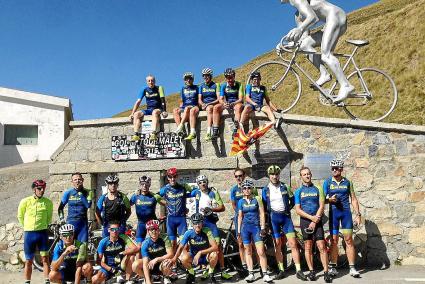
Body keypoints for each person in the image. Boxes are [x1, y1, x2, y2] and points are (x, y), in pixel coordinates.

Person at [280, 0, 354, 103]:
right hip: (331, 21)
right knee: (305, 45)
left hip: (336, 16)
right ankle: (324, 74)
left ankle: (346, 85)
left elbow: (313, 18)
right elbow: (303, 38)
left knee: (326, 55)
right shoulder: (298, 15)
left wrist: (299, 29)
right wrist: (286, 46)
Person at [261, 165, 307, 280]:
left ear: (279, 175)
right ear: (269, 176)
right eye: (272, 174)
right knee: (277, 245)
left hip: (286, 218)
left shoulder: (285, 187)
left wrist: (287, 210)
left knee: (293, 243)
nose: (275, 176)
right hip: (273, 219)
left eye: (277, 174)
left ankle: (298, 270)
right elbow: (264, 207)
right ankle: (281, 270)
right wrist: (266, 224)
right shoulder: (265, 190)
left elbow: (292, 200)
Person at [323, 159, 361, 278]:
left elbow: (353, 199)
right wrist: (329, 200)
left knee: (349, 239)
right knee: (334, 241)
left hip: (346, 214)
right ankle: (333, 266)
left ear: (341, 169)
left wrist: (358, 215)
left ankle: (352, 267)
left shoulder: (348, 182)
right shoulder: (327, 182)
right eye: (332, 168)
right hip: (334, 214)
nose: (334, 170)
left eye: (336, 168)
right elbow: (322, 200)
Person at [294, 166, 332, 283]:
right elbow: (298, 210)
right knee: (308, 247)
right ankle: (311, 271)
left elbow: (322, 205)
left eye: (308, 174)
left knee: (322, 246)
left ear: (311, 175)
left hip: (317, 220)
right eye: (304, 174)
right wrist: (311, 219)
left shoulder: (318, 188)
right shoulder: (298, 191)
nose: (307, 176)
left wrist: (315, 221)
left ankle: (326, 272)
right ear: (301, 177)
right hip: (305, 221)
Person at [191, 174, 232, 280]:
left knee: (217, 247)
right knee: (204, 246)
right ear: (198, 184)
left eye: (204, 182)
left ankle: (223, 270)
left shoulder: (213, 192)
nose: (202, 184)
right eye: (200, 182)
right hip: (200, 223)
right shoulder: (195, 192)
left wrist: (211, 209)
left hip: (211, 222)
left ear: (207, 182)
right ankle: (206, 270)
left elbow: (222, 207)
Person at [17, 179, 53, 284]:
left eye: (43, 188)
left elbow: (49, 217)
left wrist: (43, 226)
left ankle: (47, 281)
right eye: (39, 188)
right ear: (34, 189)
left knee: (45, 259)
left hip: (42, 233)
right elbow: (20, 216)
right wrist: (27, 227)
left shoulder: (48, 202)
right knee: (28, 261)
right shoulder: (25, 201)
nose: (42, 190)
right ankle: (27, 282)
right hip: (29, 233)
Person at [158, 167, 192, 278]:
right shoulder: (165, 188)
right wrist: (166, 203)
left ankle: (185, 263)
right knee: (172, 245)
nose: (172, 179)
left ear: (177, 176)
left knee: (185, 244)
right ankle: (173, 266)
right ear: (167, 178)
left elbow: (195, 192)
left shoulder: (183, 187)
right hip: (171, 219)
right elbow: (156, 197)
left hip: (181, 219)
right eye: (170, 177)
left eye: (174, 176)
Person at [237, 179, 273, 283]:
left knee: (261, 251)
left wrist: (262, 227)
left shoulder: (257, 199)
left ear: (252, 189)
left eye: (249, 188)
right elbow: (240, 216)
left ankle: (265, 273)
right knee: (248, 251)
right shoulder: (240, 201)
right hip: (245, 228)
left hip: (256, 228)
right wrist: (238, 231)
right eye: (244, 188)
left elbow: (262, 213)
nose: (247, 189)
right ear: (242, 190)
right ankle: (251, 273)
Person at [170, 213, 219, 284]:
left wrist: (200, 252)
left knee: (214, 254)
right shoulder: (188, 233)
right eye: (195, 223)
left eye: (199, 222)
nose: (197, 225)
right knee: (183, 258)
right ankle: (191, 273)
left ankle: (211, 274)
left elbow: (215, 247)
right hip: (193, 256)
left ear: (202, 223)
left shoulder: (207, 231)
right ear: (192, 224)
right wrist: (174, 258)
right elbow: (180, 247)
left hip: (205, 256)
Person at [132, 220, 174, 284]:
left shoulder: (165, 238)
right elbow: (145, 262)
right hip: (150, 265)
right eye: (151, 230)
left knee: (167, 263)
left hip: (162, 263)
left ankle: (166, 276)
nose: (154, 232)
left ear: (158, 230)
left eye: (156, 229)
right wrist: (148, 282)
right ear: (148, 231)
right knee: (135, 265)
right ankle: (148, 277)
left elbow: (171, 254)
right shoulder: (145, 243)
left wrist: (157, 259)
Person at [130, 75, 168, 141]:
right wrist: (132, 113)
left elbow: (163, 100)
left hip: (158, 109)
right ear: (147, 82)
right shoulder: (144, 89)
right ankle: (136, 134)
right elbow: (138, 101)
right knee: (136, 114)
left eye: (152, 80)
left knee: (154, 112)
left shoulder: (159, 88)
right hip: (149, 109)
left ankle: (153, 133)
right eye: (149, 81)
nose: (151, 82)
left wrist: (164, 110)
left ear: (155, 81)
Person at [58, 172, 93, 242]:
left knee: (82, 248)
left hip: (82, 224)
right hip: (70, 222)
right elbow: (60, 208)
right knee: (70, 249)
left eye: (79, 179)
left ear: (82, 180)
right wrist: (62, 220)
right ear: (72, 182)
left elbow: (88, 205)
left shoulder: (88, 192)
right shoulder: (68, 193)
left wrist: (81, 195)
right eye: (75, 180)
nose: (77, 181)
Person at [130, 175, 162, 244]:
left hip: (152, 224)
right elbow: (126, 206)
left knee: (155, 245)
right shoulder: (135, 196)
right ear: (140, 185)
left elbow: (167, 203)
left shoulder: (154, 196)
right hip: (141, 224)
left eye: (146, 184)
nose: (144, 186)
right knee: (139, 246)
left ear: (149, 185)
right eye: (142, 184)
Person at [229, 168, 249, 275]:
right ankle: (244, 264)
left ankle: (255, 264)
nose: (238, 178)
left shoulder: (250, 187)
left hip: (250, 218)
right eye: (236, 176)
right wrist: (239, 214)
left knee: (252, 243)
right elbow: (233, 204)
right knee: (240, 243)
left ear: (244, 175)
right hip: (239, 218)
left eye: (240, 175)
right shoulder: (233, 190)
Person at [173, 72, 200, 141]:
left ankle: (182, 127)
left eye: (190, 79)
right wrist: (179, 108)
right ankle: (181, 131)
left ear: (193, 79)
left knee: (187, 108)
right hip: (184, 106)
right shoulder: (183, 88)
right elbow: (182, 101)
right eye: (186, 79)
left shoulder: (197, 87)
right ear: (184, 80)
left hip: (194, 106)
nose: (188, 80)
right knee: (175, 110)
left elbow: (199, 99)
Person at [198, 68, 222, 141]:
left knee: (210, 108)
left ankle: (209, 131)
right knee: (208, 108)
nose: (205, 77)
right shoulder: (201, 86)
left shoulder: (216, 85)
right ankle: (209, 130)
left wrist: (209, 103)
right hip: (205, 105)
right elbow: (199, 99)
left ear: (211, 76)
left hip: (213, 103)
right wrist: (202, 104)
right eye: (204, 76)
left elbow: (218, 98)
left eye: (207, 76)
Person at [219, 68, 244, 137]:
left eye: (231, 77)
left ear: (234, 76)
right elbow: (220, 99)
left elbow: (241, 99)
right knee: (217, 107)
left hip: (237, 103)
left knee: (238, 107)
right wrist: (224, 103)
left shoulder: (239, 84)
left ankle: (236, 128)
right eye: (227, 78)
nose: (229, 79)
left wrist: (234, 103)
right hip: (228, 103)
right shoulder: (223, 86)